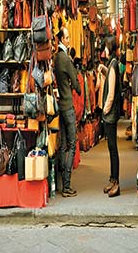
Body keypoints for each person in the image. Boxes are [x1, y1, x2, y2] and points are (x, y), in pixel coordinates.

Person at [53, 27, 81, 197]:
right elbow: (76, 83)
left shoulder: (56, 57)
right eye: (68, 37)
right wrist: (76, 86)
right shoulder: (65, 58)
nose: (70, 40)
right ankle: (67, 185)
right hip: (68, 105)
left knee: (63, 145)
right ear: (62, 39)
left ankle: (62, 183)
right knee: (71, 143)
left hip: (60, 105)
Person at [98, 35, 121, 197]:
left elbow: (111, 93)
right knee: (111, 148)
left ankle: (116, 182)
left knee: (113, 149)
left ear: (110, 48)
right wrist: (103, 69)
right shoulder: (112, 65)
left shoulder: (113, 66)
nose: (103, 50)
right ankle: (112, 179)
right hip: (110, 113)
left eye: (106, 47)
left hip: (110, 114)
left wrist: (105, 110)